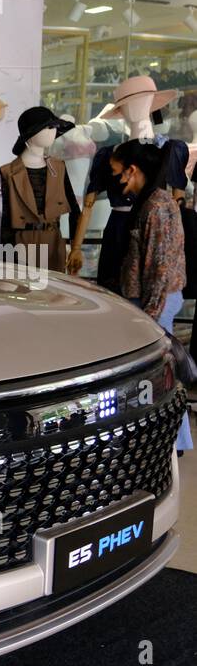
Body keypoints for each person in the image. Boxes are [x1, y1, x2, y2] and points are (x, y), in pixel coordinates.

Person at [110, 140, 193, 454]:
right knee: (163, 374)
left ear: (133, 170)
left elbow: (160, 267)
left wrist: (149, 316)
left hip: (154, 302)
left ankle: (172, 442)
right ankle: (176, 441)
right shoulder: (155, 201)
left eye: (118, 173)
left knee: (161, 376)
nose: (117, 182)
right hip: (154, 300)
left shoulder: (155, 206)